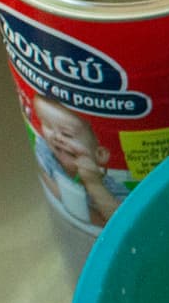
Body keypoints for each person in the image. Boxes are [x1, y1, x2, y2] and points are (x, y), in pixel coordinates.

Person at [28, 94, 131, 229]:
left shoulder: (110, 187)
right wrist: (95, 216)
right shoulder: (46, 153)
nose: (57, 137)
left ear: (100, 154)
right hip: (64, 226)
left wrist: (95, 185)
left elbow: (124, 223)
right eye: (47, 126)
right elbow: (53, 191)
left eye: (67, 134)